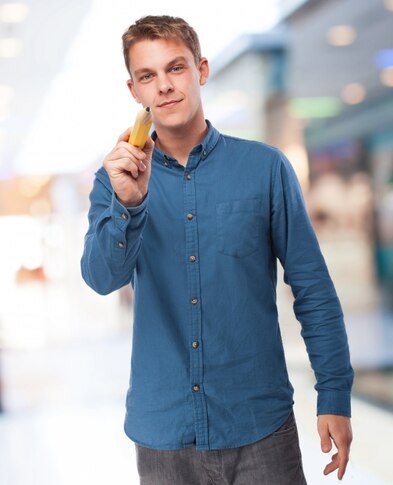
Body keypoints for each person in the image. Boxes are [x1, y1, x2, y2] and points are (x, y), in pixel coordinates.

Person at [80, 15, 354, 485]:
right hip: (165, 437)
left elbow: (312, 288)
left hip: (260, 429)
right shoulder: (115, 179)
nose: (163, 86)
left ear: (201, 70)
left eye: (176, 68)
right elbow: (102, 279)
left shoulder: (265, 169)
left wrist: (333, 395)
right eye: (148, 76)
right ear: (134, 91)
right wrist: (129, 204)